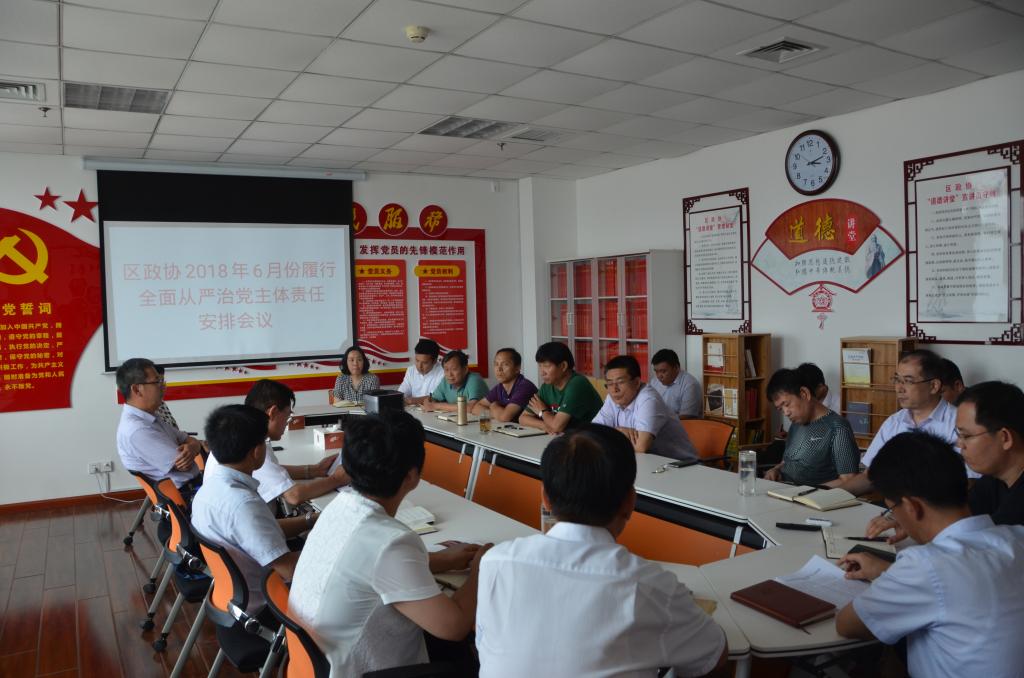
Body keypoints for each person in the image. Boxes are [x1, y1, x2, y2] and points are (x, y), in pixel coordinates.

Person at [475, 424, 727, 677]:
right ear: (630, 501)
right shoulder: (650, 586)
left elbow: (486, 647)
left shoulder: (495, 562)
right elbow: (713, 655)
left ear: (545, 499)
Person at [290, 411, 489, 677]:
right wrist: (481, 570)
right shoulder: (391, 542)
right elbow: (453, 627)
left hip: (310, 666)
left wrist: (443, 559)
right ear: (412, 476)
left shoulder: (338, 508)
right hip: (359, 671)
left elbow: (372, 569)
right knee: (467, 654)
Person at [835, 431, 1024, 678]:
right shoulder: (1016, 537)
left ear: (911, 507)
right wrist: (888, 572)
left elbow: (848, 625)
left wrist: (894, 577)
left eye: (891, 509)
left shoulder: (925, 565)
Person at [191, 405, 317, 619]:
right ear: (257, 451)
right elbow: (289, 570)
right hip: (266, 607)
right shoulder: (243, 504)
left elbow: (264, 531)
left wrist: (313, 520)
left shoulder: (209, 489)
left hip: (232, 600)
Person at [865, 381, 1024, 542]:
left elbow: (984, 546)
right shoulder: (994, 479)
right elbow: (957, 519)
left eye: (966, 436)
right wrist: (907, 520)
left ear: (1005, 438)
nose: (959, 444)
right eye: (958, 434)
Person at [204, 379, 348, 510]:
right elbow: (294, 495)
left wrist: (314, 470)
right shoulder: (253, 445)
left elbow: (271, 470)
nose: (287, 422)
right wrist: (337, 479)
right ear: (272, 412)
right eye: (287, 416)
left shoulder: (241, 434)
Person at [839, 349, 966, 496]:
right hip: (896, 505)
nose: (899, 389)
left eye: (908, 381)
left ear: (933, 386)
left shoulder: (959, 423)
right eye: (897, 380)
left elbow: (968, 482)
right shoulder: (894, 422)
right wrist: (832, 497)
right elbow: (870, 476)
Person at [115, 357, 202, 496]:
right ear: (137, 389)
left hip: (194, 486)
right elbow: (184, 465)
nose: (163, 386)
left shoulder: (149, 416)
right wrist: (194, 447)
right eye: (157, 382)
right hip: (187, 494)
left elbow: (188, 440)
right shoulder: (138, 430)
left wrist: (192, 446)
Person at [764, 368, 859, 487]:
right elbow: (787, 461)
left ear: (804, 394)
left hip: (810, 496)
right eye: (780, 409)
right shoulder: (796, 424)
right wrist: (776, 470)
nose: (786, 413)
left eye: (787, 404)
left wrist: (809, 492)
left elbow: (849, 480)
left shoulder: (838, 427)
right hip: (782, 489)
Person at [592, 355, 697, 461]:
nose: (614, 389)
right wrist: (617, 431)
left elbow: (641, 446)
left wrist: (609, 434)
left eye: (620, 382)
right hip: (649, 462)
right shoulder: (612, 399)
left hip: (681, 464)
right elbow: (590, 435)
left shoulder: (648, 399)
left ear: (636, 382)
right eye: (610, 383)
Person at [520, 342, 603, 434]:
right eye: (540, 366)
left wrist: (542, 411)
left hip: (592, 438)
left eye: (547, 366)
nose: (542, 373)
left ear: (563, 366)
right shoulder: (547, 386)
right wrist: (545, 426)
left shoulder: (577, 384)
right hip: (569, 437)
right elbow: (523, 418)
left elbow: (557, 427)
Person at [471, 348, 538, 423]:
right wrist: (497, 414)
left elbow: (505, 417)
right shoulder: (500, 387)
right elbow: (475, 408)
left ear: (517, 368)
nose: (499, 369)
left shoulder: (525, 386)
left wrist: (494, 406)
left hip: (535, 430)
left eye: (505, 364)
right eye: (496, 364)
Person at [422, 349, 489, 413]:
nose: (449, 374)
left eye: (454, 369)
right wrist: (429, 401)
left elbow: (471, 408)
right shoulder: (445, 380)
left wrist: (436, 406)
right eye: (446, 370)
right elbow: (433, 399)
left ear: (465, 369)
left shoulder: (474, 379)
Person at [650, 349, 702, 419]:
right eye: (656, 371)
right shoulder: (654, 382)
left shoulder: (690, 385)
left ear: (676, 368)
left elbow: (686, 417)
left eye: (663, 371)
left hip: (681, 425)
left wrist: (659, 420)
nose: (659, 376)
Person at [398, 339, 445, 406]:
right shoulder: (411, 370)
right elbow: (402, 392)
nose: (419, 366)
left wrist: (413, 400)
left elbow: (436, 397)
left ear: (434, 361)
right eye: (417, 361)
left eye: (424, 363)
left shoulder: (443, 372)